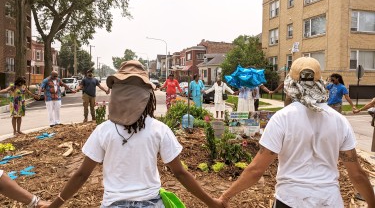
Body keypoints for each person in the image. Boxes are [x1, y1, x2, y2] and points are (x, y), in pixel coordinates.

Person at [47, 60, 223, 208]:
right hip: (152, 203)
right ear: (147, 96)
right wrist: (212, 202)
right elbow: (180, 173)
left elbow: (81, 175)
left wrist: (54, 205)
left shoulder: (103, 130)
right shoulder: (159, 129)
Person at [218, 57, 375, 207]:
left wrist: (225, 197)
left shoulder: (282, 118)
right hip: (329, 200)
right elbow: (357, 175)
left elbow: (256, 170)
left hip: (290, 200)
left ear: (290, 84)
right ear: (320, 83)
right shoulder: (339, 120)